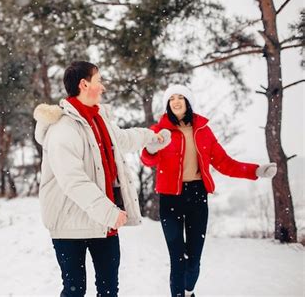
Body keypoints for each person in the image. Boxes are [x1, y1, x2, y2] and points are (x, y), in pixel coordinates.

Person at [33, 61, 170, 297]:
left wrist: (152, 138)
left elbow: (123, 139)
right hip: (70, 226)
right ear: (84, 85)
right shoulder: (63, 130)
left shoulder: (99, 120)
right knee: (75, 291)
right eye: (99, 81)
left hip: (102, 223)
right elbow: (73, 181)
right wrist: (109, 212)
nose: (103, 87)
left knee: (109, 290)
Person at [141, 85, 277, 297]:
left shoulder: (203, 131)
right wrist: (151, 148)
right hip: (170, 199)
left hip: (197, 196)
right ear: (167, 104)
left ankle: (188, 291)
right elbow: (147, 159)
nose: (176, 102)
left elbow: (224, 162)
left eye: (180, 98)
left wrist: (256, 170)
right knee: (177, 259)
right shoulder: (159, 131)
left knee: (193, 259)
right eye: (171, 99)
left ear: (188, 102)